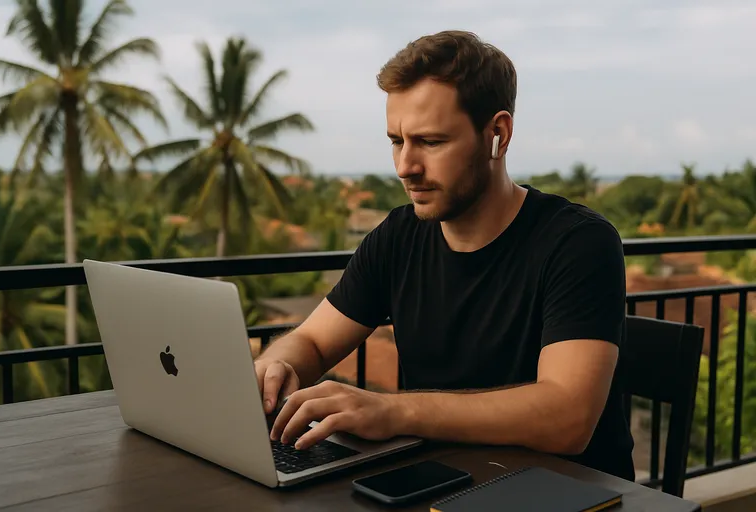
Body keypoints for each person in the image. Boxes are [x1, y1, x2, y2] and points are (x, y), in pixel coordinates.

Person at [255, 30, 635, 482]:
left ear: (498, 133)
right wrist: (277, 366)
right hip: (441, 482)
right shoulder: (399, 235)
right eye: (397, 140)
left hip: (564, 493)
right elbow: (314, 341)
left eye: (431, 142)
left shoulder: (578, 243)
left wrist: (392, 411)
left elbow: (567, 419)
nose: (405, 167)